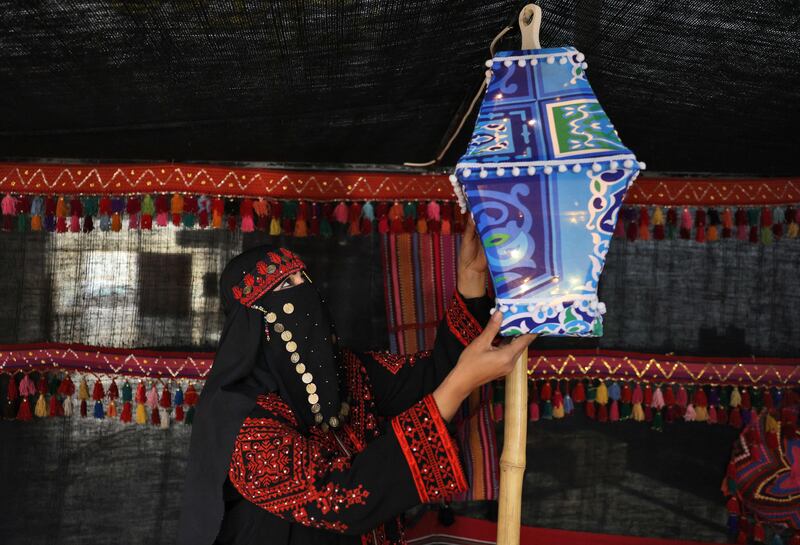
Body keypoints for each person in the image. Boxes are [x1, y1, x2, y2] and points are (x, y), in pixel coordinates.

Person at [177, 218, 535, 545]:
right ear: (255, 320)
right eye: (287, 285)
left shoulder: (346, 370)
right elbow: (342, 499)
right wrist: (456, 386)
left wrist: (471, 281)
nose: (306, 292)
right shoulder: (241, 420)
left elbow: (433, 377)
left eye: (305, 279)